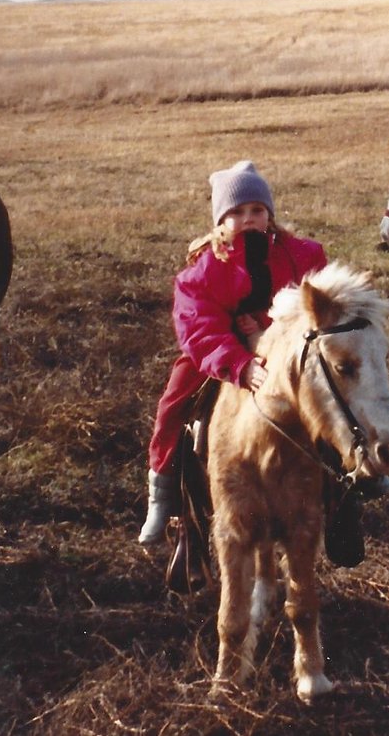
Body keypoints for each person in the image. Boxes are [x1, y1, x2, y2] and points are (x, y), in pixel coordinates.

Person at [139, 160, 330, 546]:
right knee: (172, 404)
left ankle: (350, 478)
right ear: (220, 221)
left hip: (285, 346)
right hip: (220, 353)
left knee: (334, 390)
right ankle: (162, 495)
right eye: (237, 212)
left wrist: (270, 335)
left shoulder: (300, 255)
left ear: (269, 214)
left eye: (257, 210)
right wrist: (239, 363)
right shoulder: (204, 269)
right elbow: (198, 326)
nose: (248, 219)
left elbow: (318, 304)